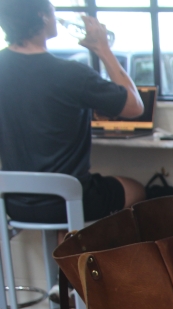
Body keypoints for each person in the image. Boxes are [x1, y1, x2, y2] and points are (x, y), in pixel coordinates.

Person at [0, 0, 146, 223]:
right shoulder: (70, 74)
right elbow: (135, 106)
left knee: (67, 199)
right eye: (52, 9)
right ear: (43, 17)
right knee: (137, 190)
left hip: (13, 203)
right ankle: (80, 252)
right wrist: (103, 49)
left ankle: (65, 244)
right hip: (68, 201)